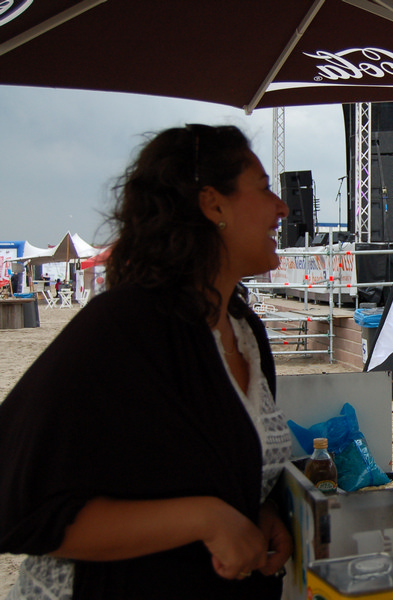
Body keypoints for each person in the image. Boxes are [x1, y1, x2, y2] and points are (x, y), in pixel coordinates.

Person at [0, 124, 293, 599]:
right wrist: (205, 519)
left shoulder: (244, 331)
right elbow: (20, 505)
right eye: (263, 188)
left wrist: (257, 510)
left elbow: (217, 464)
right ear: (213, 204)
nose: (282, 207)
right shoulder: (124, 325)